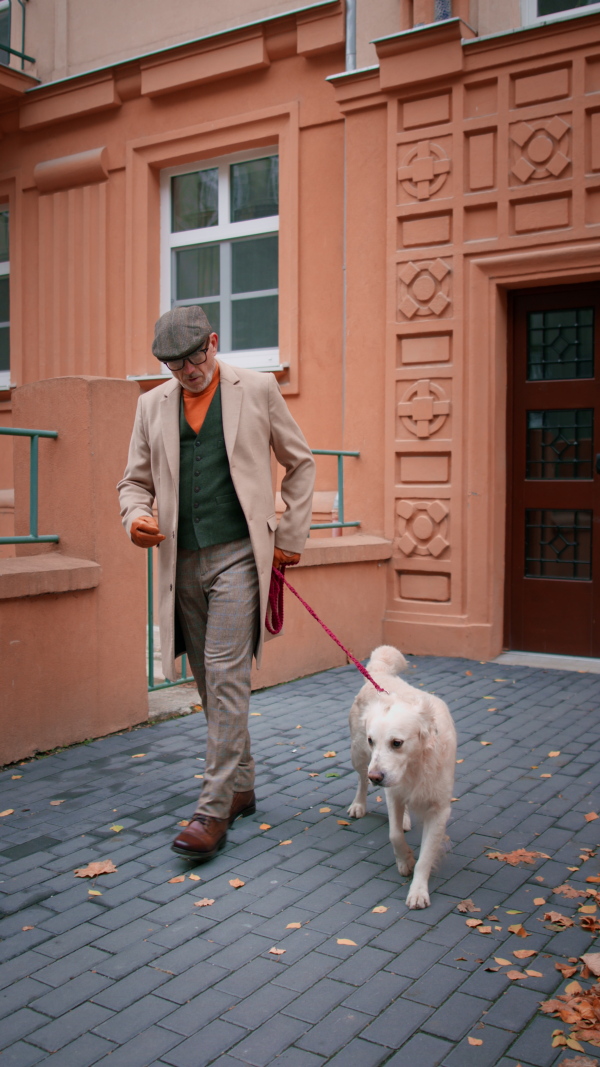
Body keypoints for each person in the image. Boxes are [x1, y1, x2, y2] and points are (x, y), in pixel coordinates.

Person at [118, 305, 315, 861]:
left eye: (194, 356)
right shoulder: (149, 406)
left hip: (238, 558)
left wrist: (291, 534)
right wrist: (134, 519)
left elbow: (301, 463)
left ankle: (212, 809)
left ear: (213, 341)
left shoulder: (256, 389)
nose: (188, 371)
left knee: (226, 675)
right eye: (174, 365)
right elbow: (132, 482)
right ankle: (243, 784)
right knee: (208, 679)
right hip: (180, 562)